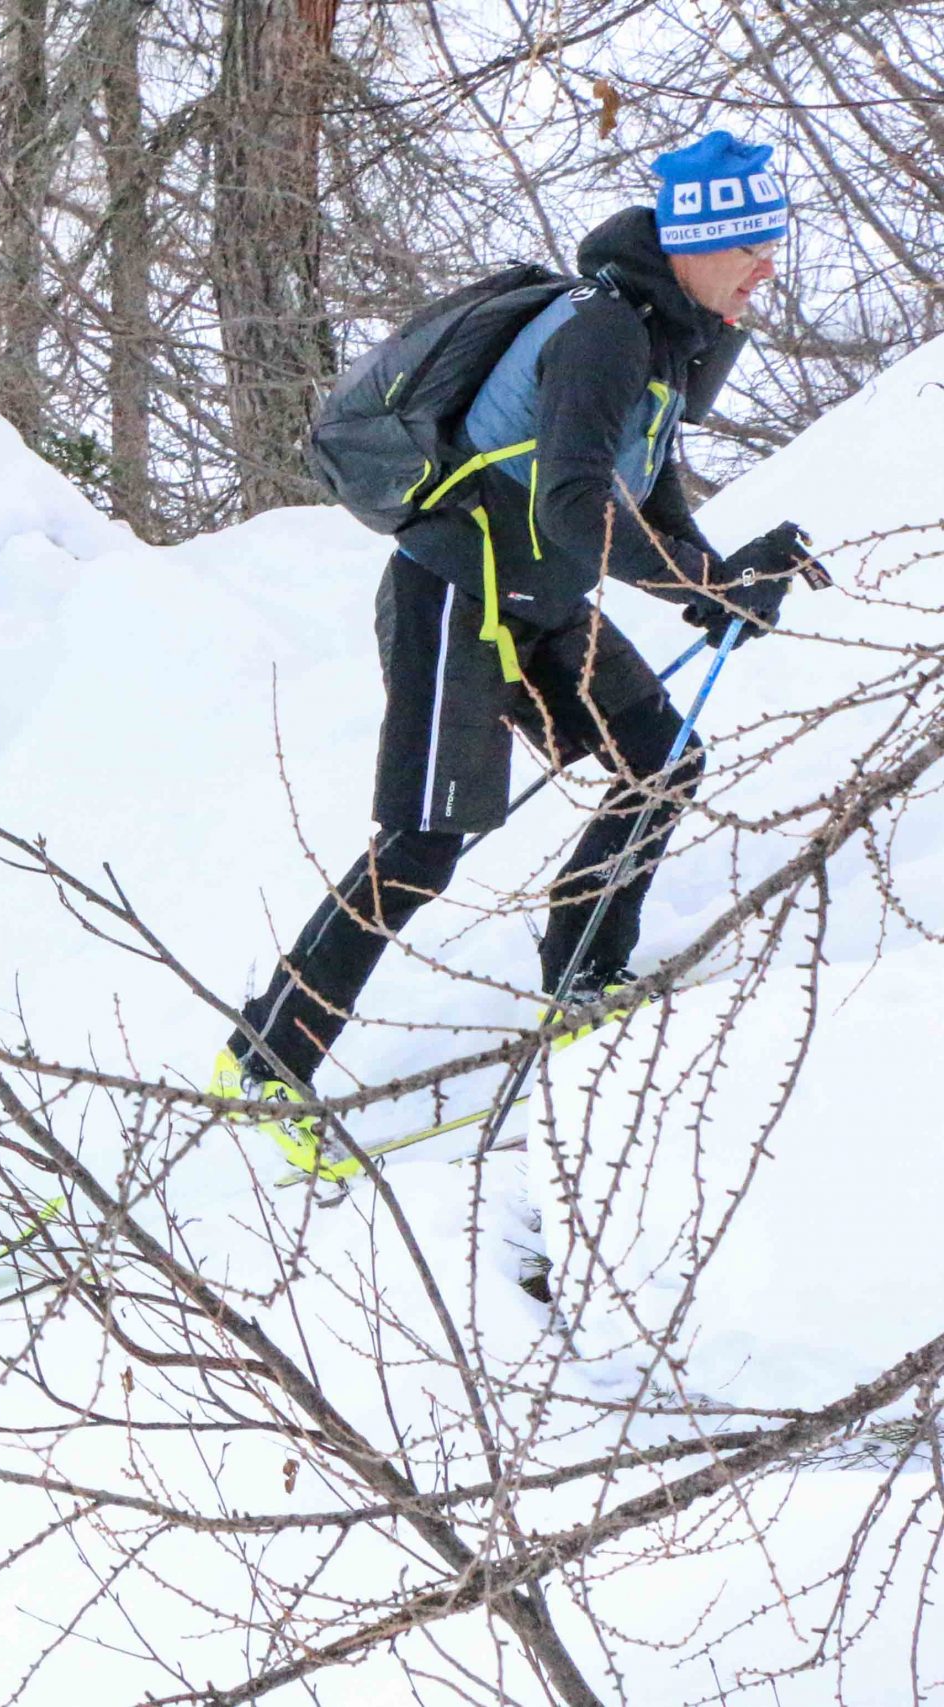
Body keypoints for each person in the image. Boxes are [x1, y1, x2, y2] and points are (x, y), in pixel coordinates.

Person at [214, 133, 818, 1180]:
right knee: (423, 843)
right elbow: (574, 500)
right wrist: (695, 590)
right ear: (700, 242)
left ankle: (580, 978)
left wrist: (719, 585)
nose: (768, 267)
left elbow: (645, 490)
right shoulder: (601, 334)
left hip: (539, 596)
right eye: (752, 247)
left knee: (661, 765)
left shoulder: (670, 341)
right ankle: (263, 1062)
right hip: (455, 591)